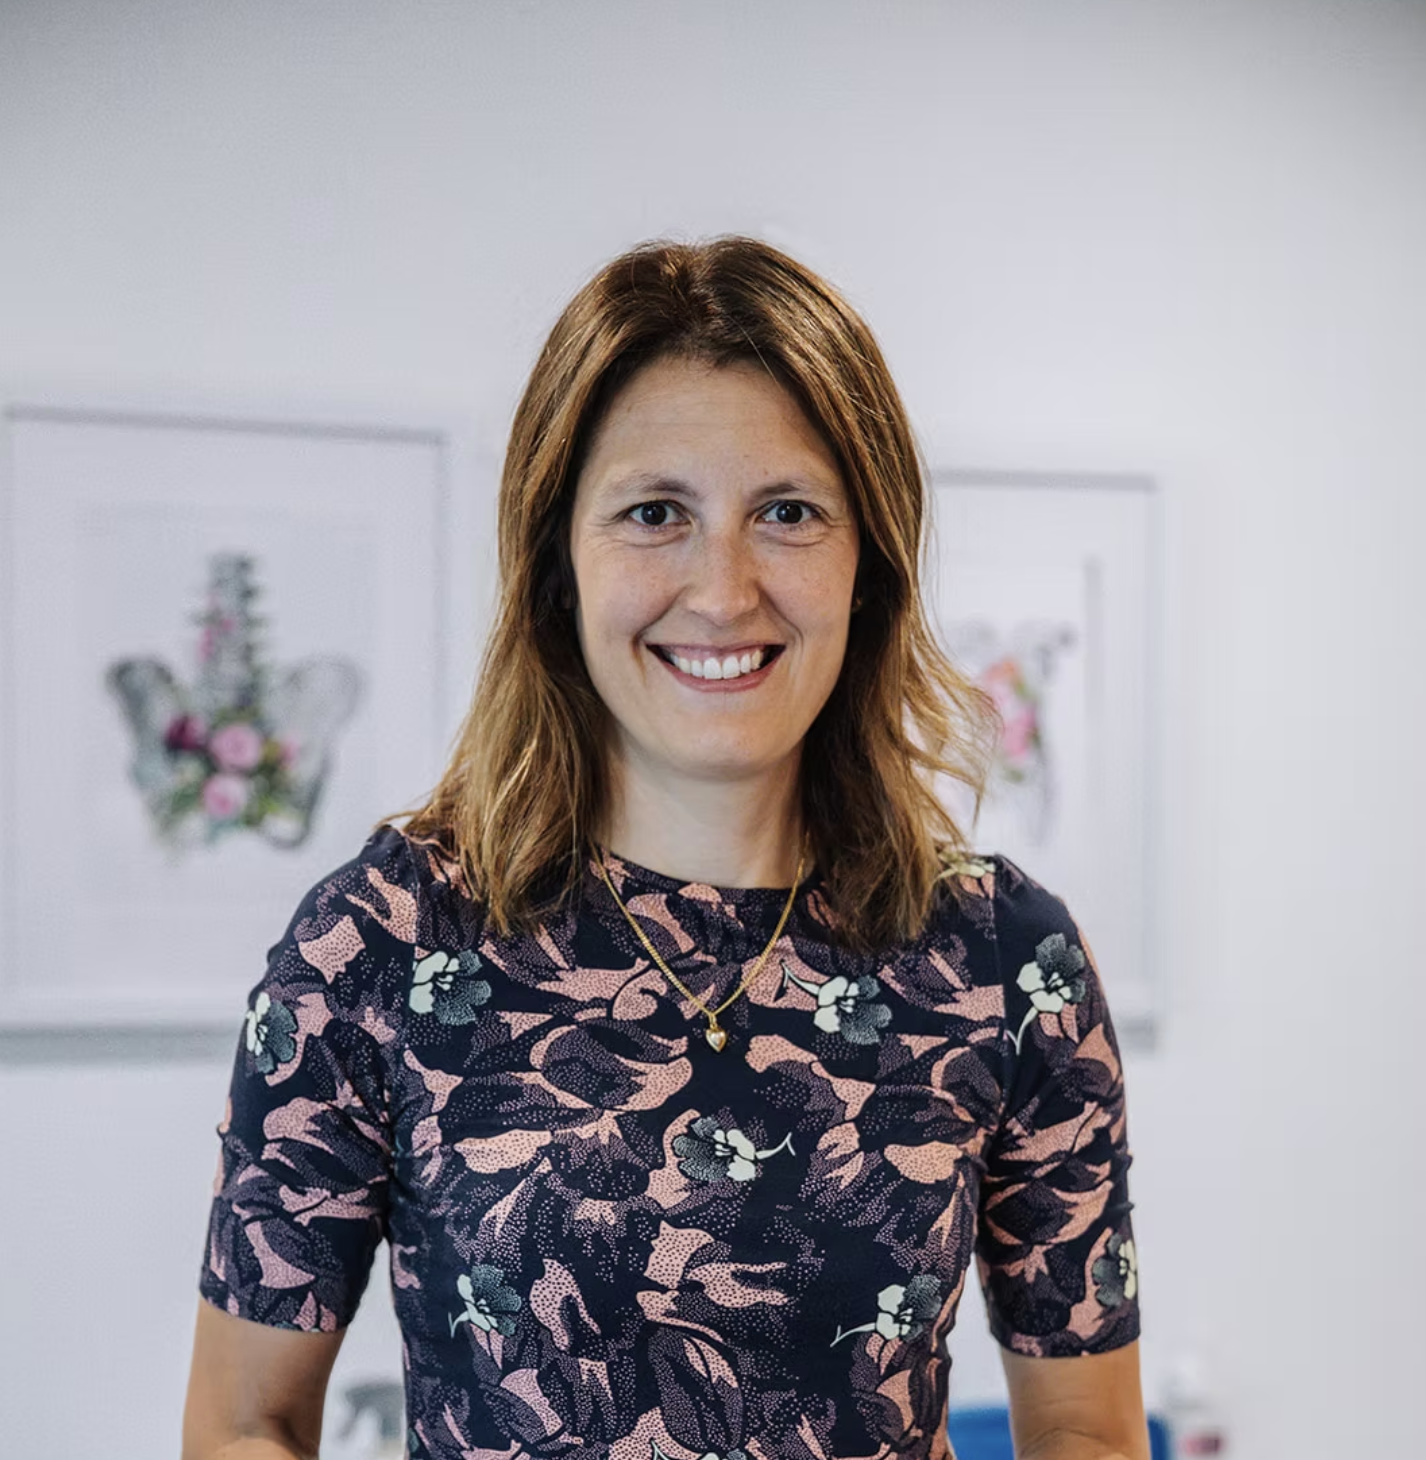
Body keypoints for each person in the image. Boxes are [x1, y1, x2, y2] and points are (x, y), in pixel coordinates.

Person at [182, 237, 1147, 1460]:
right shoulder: (381, 940)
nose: (723, 589)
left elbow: (1088, 1436)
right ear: (556, 564)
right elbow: (239, 1423)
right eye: (654, 513)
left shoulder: (1009, 960)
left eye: (787, 512)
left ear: (870, 562)